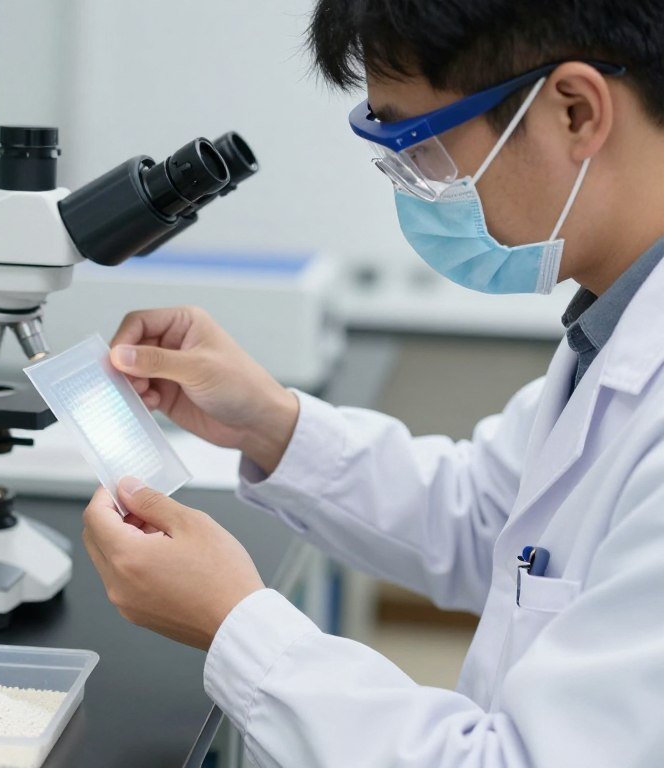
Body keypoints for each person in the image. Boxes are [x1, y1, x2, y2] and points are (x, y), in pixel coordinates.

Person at [81, 1, 664, 765]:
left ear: (575, 111)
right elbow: (486, 518)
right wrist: (270, 423)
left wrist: (236, 623)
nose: (414, 185)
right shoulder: (615, 324)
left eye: (418, 145)